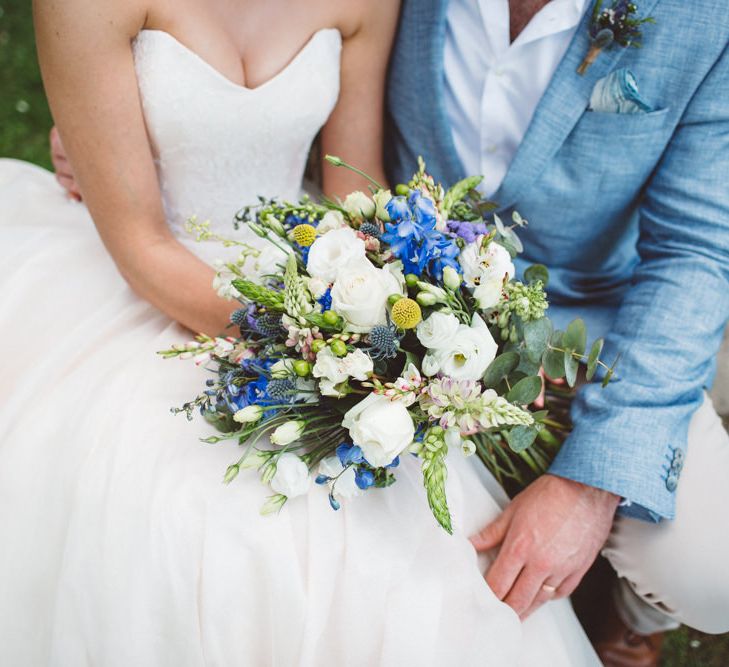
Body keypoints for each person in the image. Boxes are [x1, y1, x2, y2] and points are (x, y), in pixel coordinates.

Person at [0, 0, 601, 664]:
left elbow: (352, 193)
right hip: (145, 273)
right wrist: (316, 350)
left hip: (312, 270)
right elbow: (140, 244)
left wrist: (367, 320)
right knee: (179, 516)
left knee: (395, 550)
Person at [386, 0, 729, 665]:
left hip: (592, 319)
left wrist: (588, 486)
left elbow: (694, 251)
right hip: (404, 302)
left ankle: (626, 615)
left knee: (711, 571)